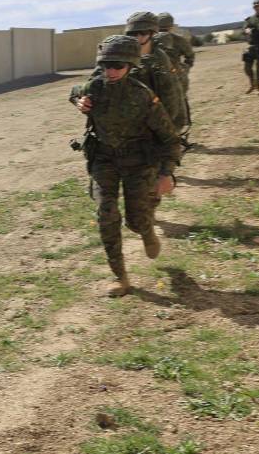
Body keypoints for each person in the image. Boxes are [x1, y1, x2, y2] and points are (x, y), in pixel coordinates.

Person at [70, 36, 181, 297]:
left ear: (130, 65)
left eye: (118, 65)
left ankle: (146, 230)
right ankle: (121, 277)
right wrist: (78, 100)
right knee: (105, 214)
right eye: (106, 64)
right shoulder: (95, 86)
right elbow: (76, 90)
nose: (111, 71)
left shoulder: (143, 96)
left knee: (135, 220)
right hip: (104, 160)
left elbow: (169, 138)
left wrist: (166, 173)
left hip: (138, 163)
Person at [123, 11, 187, 134]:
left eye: (143, 32)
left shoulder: (161, 58)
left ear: (152, 33)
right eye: (133, 33)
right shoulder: (120, 55)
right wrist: (80, 98)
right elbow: (96, 80)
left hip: (158, 124)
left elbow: (173, 93)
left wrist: (174, 125)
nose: (138, 37)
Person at [154, 12, 195, 94]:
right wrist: (185, 69)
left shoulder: (149, 40)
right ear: (171, 26)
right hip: (177, 77)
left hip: (155, 79)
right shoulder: (179, 40)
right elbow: (190, 56)